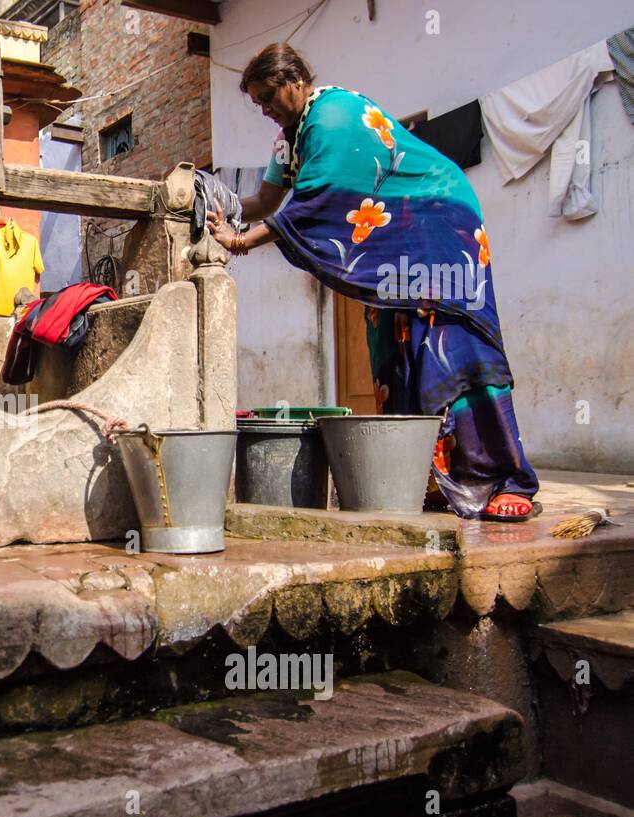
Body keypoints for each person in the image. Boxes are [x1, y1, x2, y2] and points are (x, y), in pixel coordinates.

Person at [207, 43, 540, 522]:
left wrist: (239, 243)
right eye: (257, 102)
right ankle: (432, 476)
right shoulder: (289, 139)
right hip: (394, 241)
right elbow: (265, 201)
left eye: (267, 96)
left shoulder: (334, 115)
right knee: (395, 346)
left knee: (454, 344)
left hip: (439, 221)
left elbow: (316, 200)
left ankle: (508, 478)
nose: (264, 109)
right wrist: (221, 210)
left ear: (295, 80)